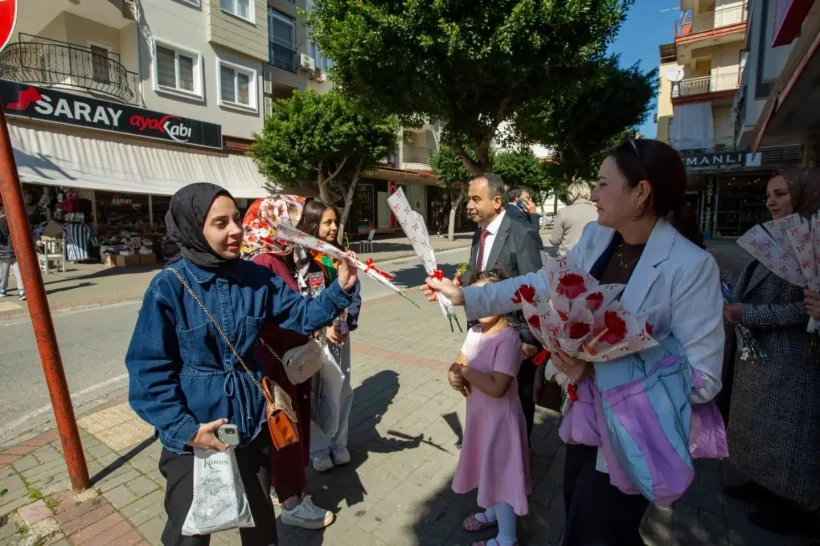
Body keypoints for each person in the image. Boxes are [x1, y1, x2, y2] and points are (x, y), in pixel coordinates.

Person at [424, 139, 724, 546]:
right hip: (583, 420)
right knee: (581, 521)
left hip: (635, 432)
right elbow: (540, 283)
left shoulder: (691, 267)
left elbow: (703, 379)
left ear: (641, 192)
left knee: (598, 531)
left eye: (602, 184)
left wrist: (597, 367)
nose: (592, 195)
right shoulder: (597, 239)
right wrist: (466, 297)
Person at [125, 183, 359, 545]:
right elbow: (148, 373)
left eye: (237, 219)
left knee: (260, 526)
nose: (236, 230)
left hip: (251, 425)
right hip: (195, 435)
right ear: (192, 229)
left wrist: (340, 288)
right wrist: (186, 430)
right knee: (190, 533)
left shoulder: (256, 277)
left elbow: (301, 315)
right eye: (221, 223)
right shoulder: (169, 288)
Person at [722, 168, 820, 536]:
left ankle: (795, 507)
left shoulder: (813, 242)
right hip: (760, 356)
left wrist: (749, 313)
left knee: (787, 438)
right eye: (768, 194)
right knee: (759, 429)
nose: (770, 202)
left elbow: (804, 309)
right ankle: (762, 484)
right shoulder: (778, 237)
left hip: (791, 360)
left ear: (805, 196)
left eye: (780, 194)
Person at [240, 195, 335, 530]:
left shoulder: (272, 257)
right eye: (292, 223)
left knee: (283, 431)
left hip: (280, 361)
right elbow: (290, 316)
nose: (298, 231)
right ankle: (292, 503)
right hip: (278, 365)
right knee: (286, 431)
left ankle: (284, 490)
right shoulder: (267, 262)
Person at [448, 270, 531, 546]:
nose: (482, 304)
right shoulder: (474, 333)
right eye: (476, 297)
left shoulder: (508, 340)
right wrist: (452, 374)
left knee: (501, 476)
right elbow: (458, 362)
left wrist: (465, 372)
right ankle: (493, 513)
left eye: (489, 296)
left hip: (501, 422)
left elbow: (497, 388)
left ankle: (507, 538)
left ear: (503, 299)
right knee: (489, 468)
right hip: (480, 420)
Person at [461, 173, 543, 440]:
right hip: (483, 333)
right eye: (469, 199)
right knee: (487, 401)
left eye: (476, 199)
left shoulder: (523, 235)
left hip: (515, 339)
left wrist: (528, 337)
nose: (469, 206)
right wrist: (457, 284)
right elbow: (477, 273)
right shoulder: (479, 234)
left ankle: (519, 456)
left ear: (497, 201)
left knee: (518, 406)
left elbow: (534, 290)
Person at [295, 200, 361, 473]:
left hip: (341, 335)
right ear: (311, 225)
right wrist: (323, 328)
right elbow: (301, 301)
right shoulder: (300, 258)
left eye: (335, 222)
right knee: (317, 391)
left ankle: (339, 443)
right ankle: (319, 449)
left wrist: (345, 323)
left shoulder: (340, 256)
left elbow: (354, 293)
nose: (334, 227)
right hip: (313, 339)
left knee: (342, 388)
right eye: (327, 222)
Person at [548, 180, 598, 256]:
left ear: (571, 194)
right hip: (593, 257)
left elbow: (555, 241)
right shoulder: (598, 211)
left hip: (568, 257)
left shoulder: (563, 212)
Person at [0, 208, 25, 301]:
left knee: (3, 272)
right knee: (19, 272)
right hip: (16, 250)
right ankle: (22, 291)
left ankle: (2, 290)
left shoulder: (0, 222)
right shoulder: (16, 220)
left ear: (1, 214)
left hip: (3, 251)